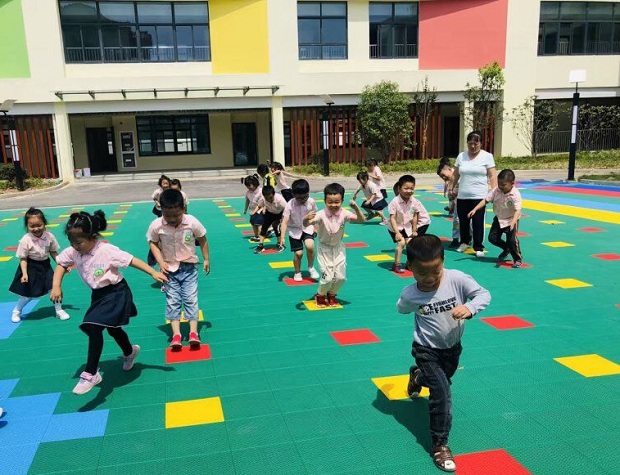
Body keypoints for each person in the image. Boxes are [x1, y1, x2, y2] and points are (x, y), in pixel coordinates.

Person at [397, 234, 491, 472]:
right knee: (441, 391)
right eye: (422, 273)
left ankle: (417, 377)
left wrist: (469, 307)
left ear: (443, 262)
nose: (429, 278)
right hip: (426, 349)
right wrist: (417, 306)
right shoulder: (410, 294)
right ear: (410, 267)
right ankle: (440, 444)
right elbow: (402, 308)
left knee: (440, 381)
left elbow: (483, 295)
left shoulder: (457, 278)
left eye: (435, 271)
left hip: (452, 347)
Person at [50, 210, 167, 395]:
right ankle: (130, 352)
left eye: (79, 242)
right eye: (72, 242)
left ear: (93, 237)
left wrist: (153, 272)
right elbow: (61, 264)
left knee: (94, 326)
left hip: (116, 292)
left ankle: (90, 373)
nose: (75, 247)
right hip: (98, 295)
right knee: (113, 329)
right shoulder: (73, 251)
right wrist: (56, 285)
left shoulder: (105, 250)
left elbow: (131, 260)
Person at [147, 189, 210, 351]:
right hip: (169, 270)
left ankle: (193, 333)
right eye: (168, 215)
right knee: (172, 301)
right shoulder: (157, 225)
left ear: (183, 208)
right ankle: (176, 335)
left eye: (176, 215)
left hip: (189, 268)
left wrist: (206, 259)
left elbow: (202, 238)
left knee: (190, 299)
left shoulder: (191, 222)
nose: (173, 219)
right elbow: (152, 242)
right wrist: (160, 262)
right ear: (161, 209)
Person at [304, 183, 365, 307]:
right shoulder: (321, 214)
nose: (333, 205)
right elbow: (306, 224)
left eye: (337, 202)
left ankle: (331, 294)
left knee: (341, 278)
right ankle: (320, 295)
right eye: (330, 202)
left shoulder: (344, 213)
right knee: (327, 277)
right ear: (325, 201)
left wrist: (356, 208)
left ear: (342, 200)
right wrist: (306, 218)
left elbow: (361, 220)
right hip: (324, 249)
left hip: (339, 249)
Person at [9, 207, 70, 323]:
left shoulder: (49, 236)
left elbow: (53, 252)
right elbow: (23, 258)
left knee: (54, 287)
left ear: (44, 223)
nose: (36, 228)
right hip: (30, 267)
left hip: (45, 266)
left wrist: (62, 265)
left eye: (39, 225)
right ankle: (16, 311)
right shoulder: (25, 240)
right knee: (28, 294)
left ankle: (59, 310)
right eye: (32, 226)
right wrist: (24, 274)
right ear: (27, 226)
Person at [449, 131, 497, 257]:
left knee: (478, 222)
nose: (473, 146)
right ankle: (464, 242)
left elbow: (492, 175)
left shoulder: (487, 156)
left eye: (476, 143)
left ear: (481, 143)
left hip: (479, 196)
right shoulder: (461, 156)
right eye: (470, 143)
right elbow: (455, 174)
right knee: (463, 221)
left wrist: (494, 191)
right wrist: (450, 188)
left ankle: (478, 247)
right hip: (463, 195)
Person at [468, 169, 523, 267]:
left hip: (511, 220)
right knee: (492, 238)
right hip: (499, 218)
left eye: (503, 185)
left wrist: (513, 222)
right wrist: (475, 209)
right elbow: (485, 200)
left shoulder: (515, 195)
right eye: (499, 184)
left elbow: (517, 211)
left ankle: (517, 259)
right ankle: (506, 248)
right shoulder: (496, 190)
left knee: (511, 240)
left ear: (512, 183)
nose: (500, 186)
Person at [279, 179, 320, 282]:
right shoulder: (290, 204)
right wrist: (282, 237)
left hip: (308, 228)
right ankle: (297, 272)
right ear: (293, 194)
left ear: (308, 193)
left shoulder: (311, 201)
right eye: (299, 198)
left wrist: (315, 227)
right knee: (298, 254)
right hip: (294, 231)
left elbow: (315, 215)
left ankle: (311, 267)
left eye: (305, 197)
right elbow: (285, 221)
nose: (302, 200)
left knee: (310, 246)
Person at [386, 175, 418, 274]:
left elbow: (415, 215)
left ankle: (409, 263)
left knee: (411, 243)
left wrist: (414, 230)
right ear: (399, 189)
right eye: (406, 188)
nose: (409, 191)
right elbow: (392, 218)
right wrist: (397, 233)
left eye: (411, 188)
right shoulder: (394, 202)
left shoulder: (414, 201)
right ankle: (396, 264)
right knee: (401, 243)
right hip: (395, 227)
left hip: (407, 227)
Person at [254, 185, 287, 254]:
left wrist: (283, 220)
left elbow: (287, 209)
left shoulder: (280, 199)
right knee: (264, 228)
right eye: (267, 198)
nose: (269, 200)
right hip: (270, 213)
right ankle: (260, 245)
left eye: (271, 198)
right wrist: (254, 212)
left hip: (279, 214)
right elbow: (259, 205)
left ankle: (280, 244)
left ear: (274, 194)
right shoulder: (263, 199)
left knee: (276, 227)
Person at [437, 159, 460, 248]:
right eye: (441, 177)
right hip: (457, 203)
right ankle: (455, 239)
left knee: (469, 222)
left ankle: (469, 238)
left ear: (449, 169)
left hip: (466, 201)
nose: (443, 178)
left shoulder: (460, 175)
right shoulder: (450, 180)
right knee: (456, 220)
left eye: (443, 175)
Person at [243, 175, 264, 243]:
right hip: (252, 210)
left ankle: (260, 237)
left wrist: (254, 212)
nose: (248, 187)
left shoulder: (261, 191)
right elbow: (247, 200)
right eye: (247, 186)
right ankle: (256, 236)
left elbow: (260, 204)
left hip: (260, 210)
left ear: (255, 184)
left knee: (259, 224)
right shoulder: (248, 192)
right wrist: (245, 209)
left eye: (249, 185)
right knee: (253, 223)